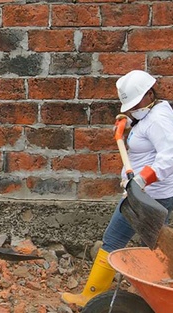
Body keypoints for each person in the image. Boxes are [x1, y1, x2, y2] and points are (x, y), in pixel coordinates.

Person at [62, 70, 173, 307]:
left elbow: (169, 156)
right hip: (145, 194)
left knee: (118, 239)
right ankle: (155, 294)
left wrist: (142, 180)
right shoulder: (153, 111)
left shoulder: (158, 119)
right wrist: (129, 121)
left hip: (148, 196)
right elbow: (145, 126)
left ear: (149, 94)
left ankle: (92, 296)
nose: (132, 108)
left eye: (135, 105)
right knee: (152, 247)